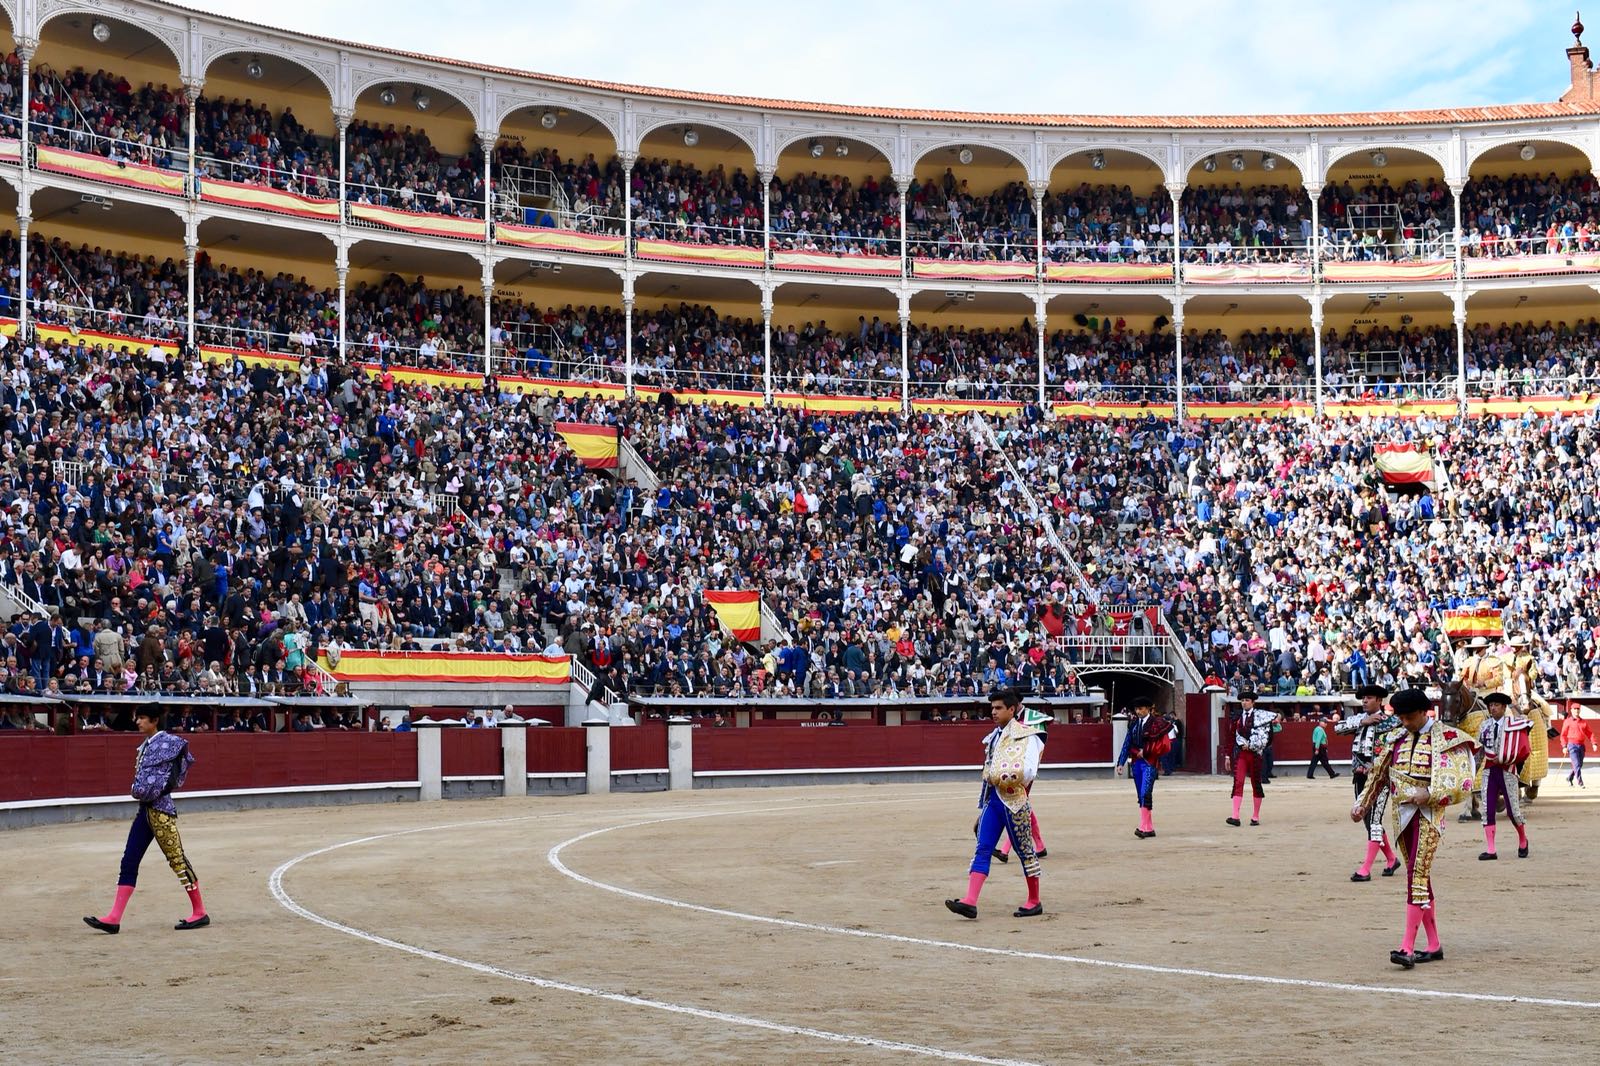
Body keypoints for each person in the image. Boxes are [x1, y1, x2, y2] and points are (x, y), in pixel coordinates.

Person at [1351, 688, 1478, 970]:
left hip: (1429, 815)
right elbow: (1379, 776)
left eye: (1409, 718)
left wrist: (1430, 792)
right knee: (1417, 875)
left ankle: (1407, 947)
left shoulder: (1447, 738)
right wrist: (1362, 804)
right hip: (1402, 815)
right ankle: (1433, 945)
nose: (1404, 723)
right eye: (1401, 718)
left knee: (1416, 875)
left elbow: (1463, 781)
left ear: (1424, 712)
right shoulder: (1396, 738)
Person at [83, 706, 210, 934]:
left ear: (154, 721)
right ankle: (114, 918)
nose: (137, 722)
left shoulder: (169, 743)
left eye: (141, 718)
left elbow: (175, 774)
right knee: (129, 861)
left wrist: (152, 789)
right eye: (137, 718)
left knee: (178, 861)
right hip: (146, 811)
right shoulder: (148, 745)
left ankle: (200, 912)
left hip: (161, 811)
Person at [945, 688, 1047, 920]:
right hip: (993, 801)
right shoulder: (994, 736)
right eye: (992, 708)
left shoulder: (1026, 734)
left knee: (1025, 853)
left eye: (999, 708)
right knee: (983, 848)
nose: (993, 711)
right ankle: (970, 901)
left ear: (1012, 710)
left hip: (1015, 802)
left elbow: (1029, 770)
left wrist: (1006, 775)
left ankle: (1034, 900)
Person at [1337, 685, 1401, 882]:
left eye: (1369, 698)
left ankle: (1366, 868)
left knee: (1374, 820)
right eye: (1363, 698)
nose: (1364, 701)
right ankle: (1391, 859)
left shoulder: (1392, 722)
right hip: (1360, 777)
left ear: (1380, 701)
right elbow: (1337, 728)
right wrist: (1364, 721)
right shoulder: (1358, 720)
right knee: (1365, 819)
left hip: (1380, 778)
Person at [1474, 692, 1530, 861]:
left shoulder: (1515, 723)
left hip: (1507, 770)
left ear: (1504, 707)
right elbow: (1480, 751)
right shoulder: (1484, 726)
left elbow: (1522, 748)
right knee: (1487, 809)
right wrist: (1473, 770)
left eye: (1496, 705)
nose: (1493, 708)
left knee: (1513, 811)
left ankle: (1522, 839)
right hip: (1489, 770)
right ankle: (1491, 849)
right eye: (1491, 705)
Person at [1115, 695, 1173, 839]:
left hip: (1149, 762)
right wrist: (1120, 762)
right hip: (1136, 763)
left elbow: (1165, 745)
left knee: (1145, 793)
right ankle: (1149, 828)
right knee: (1141, 795)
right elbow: (1127, 743)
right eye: (1136, 709)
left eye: (1140, 709)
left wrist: (1146, 751)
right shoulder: (1134, 724)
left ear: (1148, 709)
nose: (1138, 711)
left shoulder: (1156, 723)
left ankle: (1143, 827)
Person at [1506, 636, 1552, 802]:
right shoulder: (1506, 658)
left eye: (1517, 646)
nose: (1514, 648)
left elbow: (1532, 675)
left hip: (1526, 690)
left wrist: (1524, 673)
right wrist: (1511, 674)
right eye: (1513, 645)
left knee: (1543, 706)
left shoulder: (1528, 658)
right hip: (1509, 689)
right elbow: (1503, 675)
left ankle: (1548, 725)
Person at [1227, 691, 1277, 826]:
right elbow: (1231, 737)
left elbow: (1269, 737)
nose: (1244, 702)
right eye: (1242, 700)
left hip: (1255, 754)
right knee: (1238, 782)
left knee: (1256, 783)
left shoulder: (1261, 717)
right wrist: (1227, 755)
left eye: (1247, 700)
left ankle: (1255, 816)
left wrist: (1257, 746)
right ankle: (1235, 816)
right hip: (1241, 754)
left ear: (1253, 702)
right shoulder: (1237, 717)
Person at [1560, 706, 1596, 786]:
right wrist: (1564, 746)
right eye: (1575, 709)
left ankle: (1569, 778)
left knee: (1579, 764)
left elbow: (1590, 733)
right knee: (1576, 764)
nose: (1576, 710)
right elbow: (1563, 735)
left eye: (1578, 709)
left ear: (1580, 710)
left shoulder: (1583, 722)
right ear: (1571, 710)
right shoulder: (1567, 721)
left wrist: (1594, 743)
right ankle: (1580, 782)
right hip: (1572, 745)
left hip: (1581, 745)